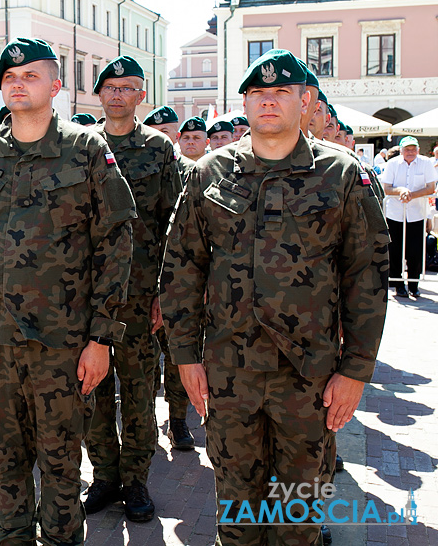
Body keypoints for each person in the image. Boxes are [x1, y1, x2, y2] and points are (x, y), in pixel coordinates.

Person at [161, 49, 390, 546]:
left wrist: (355, 372)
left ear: (305, 101)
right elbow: (181, 267)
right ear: (243, 104)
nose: (269, 102)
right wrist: (185, 357)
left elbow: (367, 278)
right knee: (238, 515)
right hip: (230, 374)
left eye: (281, 92)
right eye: (257, 94)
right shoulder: (209, 172)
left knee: (298, 516)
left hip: (309, 377)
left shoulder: (342, 174)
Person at [0, 38, 136, 545]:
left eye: (30, 75)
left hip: (64, 344)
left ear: (55, 85)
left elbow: (115, 246)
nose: (17, 83)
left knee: (61, 466)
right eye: (9, 76)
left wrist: (101, 338)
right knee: (5, 465)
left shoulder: (86, 149)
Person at [84, 55, 182, 521]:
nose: (119, 94)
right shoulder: (80, 146)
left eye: (128, 87)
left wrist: (165, 288)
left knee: (139, 390)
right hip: (89, 295)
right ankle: (104, 475)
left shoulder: (161, 151)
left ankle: (136, 480)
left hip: (141, 295)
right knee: (92, 389)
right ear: (99, 95)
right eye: (111, 87)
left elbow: (173, 224)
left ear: (142, 95)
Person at [381, 136, 438, 298]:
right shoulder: (392, 164)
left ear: (418, 150)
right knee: (395, 249)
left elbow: (431, 187)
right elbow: (387, 188)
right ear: (401, 150)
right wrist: (401, 191)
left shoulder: (426, 163)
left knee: (415, 251)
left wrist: (411, 195)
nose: (410, 152)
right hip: (395, 213)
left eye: (413, 149)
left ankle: (414, 284)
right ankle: (398, 284)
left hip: (416, 213)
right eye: (407, 149)